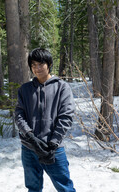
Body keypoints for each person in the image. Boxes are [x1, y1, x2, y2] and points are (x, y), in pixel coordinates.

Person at [14, 48, 76, 192]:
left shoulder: (62, 87)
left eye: (41, 64)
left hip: (53, 149)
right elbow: (19, 114)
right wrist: (29, 135)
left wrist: (53, 143)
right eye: (33, 65)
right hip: (29, 148)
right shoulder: (25, 89)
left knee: (65, 187)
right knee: (33, 188)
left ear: (48, 65)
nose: (37, 68)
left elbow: (66, 116)